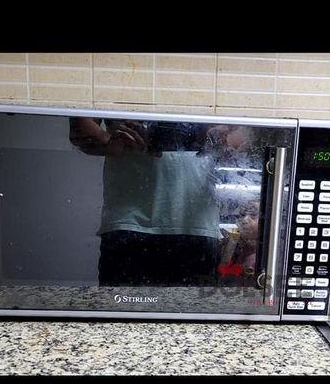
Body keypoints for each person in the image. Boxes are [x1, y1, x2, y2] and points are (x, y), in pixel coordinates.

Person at [70, 116, 223, 286]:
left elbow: (240, 136)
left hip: (191, 222)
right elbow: (81, 128)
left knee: (128, 301)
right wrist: (112, 142)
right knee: (123, 303)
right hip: (132, 221)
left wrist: (217, 135)